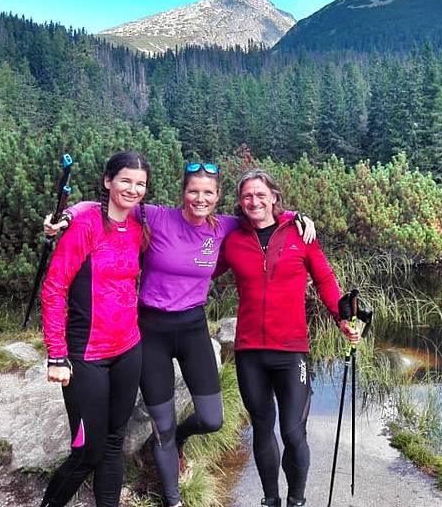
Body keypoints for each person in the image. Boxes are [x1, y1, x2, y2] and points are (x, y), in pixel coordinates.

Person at [47, 162, 315, 507]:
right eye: (193, 191)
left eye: (208, 192)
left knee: (211, 418)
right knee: (162, 427)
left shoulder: (226, 227)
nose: (200, 198)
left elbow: (262, 211)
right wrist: (69, 212)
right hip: (151, 330)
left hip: (192, 328)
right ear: (183, 193)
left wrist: (295, 216)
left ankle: (184, 438)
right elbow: (111, 204)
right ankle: (173, 500)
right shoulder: (156, 217)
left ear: (218, 197)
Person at [216, 169, 360, 507]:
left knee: (294, 432)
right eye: (247, 196)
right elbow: (200, 268)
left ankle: (297, 500)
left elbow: (324, 277)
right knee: (263, 429)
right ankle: (271, 500)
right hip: (250, 351)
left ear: (274, 197)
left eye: (260, 194)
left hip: (291, 350)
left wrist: (340, 316)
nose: (254, 201)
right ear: (240, 201)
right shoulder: (233, 240)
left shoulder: (298, 234)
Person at [39, 151, 150, 507]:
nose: (132, 190)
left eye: (140, 184)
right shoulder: (86, 225)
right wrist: (56, 355)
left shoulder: (138, 225)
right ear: (108, 181)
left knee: (115, 439)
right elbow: (53, 289)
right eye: (125, 181)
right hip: (86, 354)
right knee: (88, 450)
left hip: (128, 348)